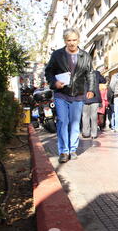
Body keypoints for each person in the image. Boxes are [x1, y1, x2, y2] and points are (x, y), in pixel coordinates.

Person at [44, 28, 95, 163]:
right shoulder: (57, 55)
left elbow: (90, 73)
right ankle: (63, 151)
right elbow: (49, 71)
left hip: (78, 94)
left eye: (74, 40)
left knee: (74, 123)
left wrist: (91, 89)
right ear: (65, 41)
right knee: (62, 121)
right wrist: (54, 83)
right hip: (61, 94)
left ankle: (72, 149)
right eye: (69, 40)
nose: (72, 43)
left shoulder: (85, 56)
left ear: (78, 40)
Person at [82, 70, 106, 139]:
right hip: (95, 97)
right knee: (94, 116)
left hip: (85, 97)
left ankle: (86, 133)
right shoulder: (96, 73)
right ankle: (94, 134)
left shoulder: (82, 73)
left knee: (85, 116)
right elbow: (103, 80)